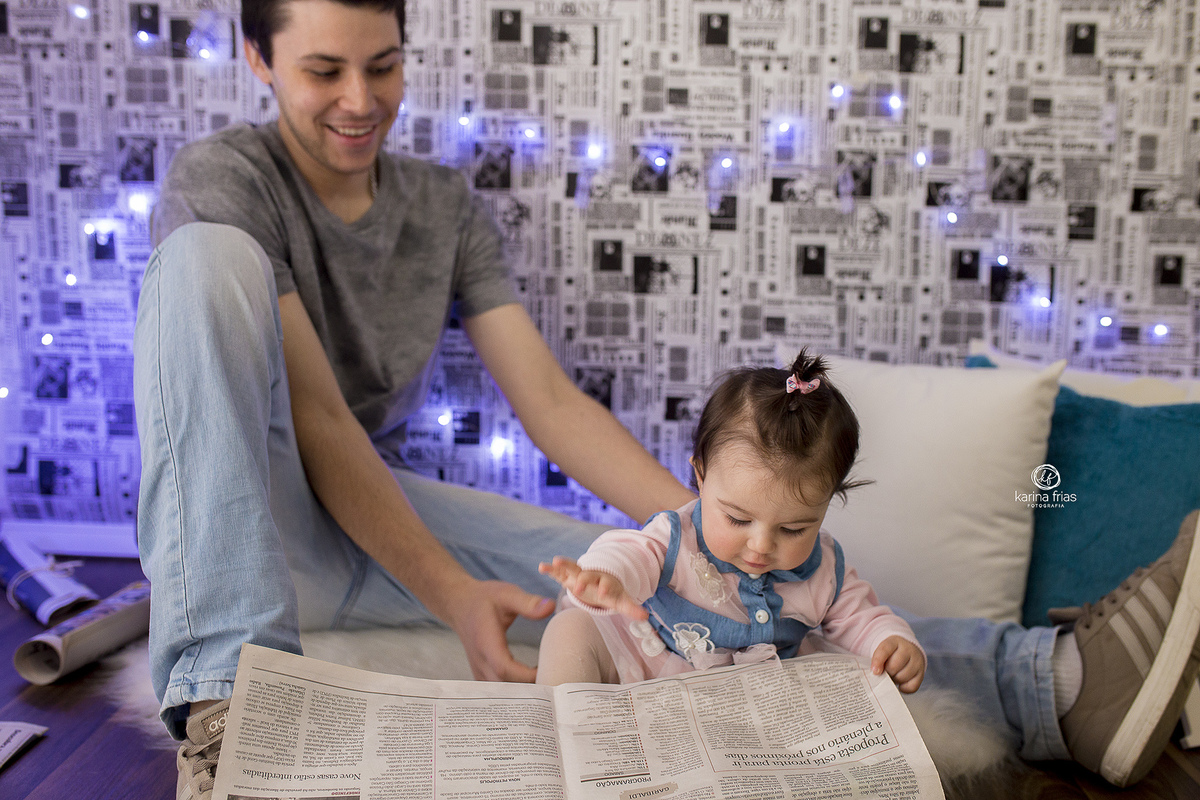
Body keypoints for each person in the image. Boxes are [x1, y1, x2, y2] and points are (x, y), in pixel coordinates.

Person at [133, 0, 1200, 797]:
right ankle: (225, 712)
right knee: (201, 260)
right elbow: (318, 427)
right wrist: (453, 590)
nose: (360, 100)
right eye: (323, 71)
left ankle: (1052, 680)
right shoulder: (222, 180)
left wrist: (705, 542)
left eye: (383, 65)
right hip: (244, 509)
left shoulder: (443, 205)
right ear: (259, 59)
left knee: (619, 577)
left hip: (359, 512)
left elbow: (549, 401)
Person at [536, 351, 926, 694]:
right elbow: (630, 553)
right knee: (570, 630)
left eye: (794, 529)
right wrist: (607, 578)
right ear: (701, 477)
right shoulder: (676, 537)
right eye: (738, 519)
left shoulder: (823, 569)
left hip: (749, 707)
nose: (760, 545)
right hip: (647, 671)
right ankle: (562, 744)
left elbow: (859, 618)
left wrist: (888, 642)